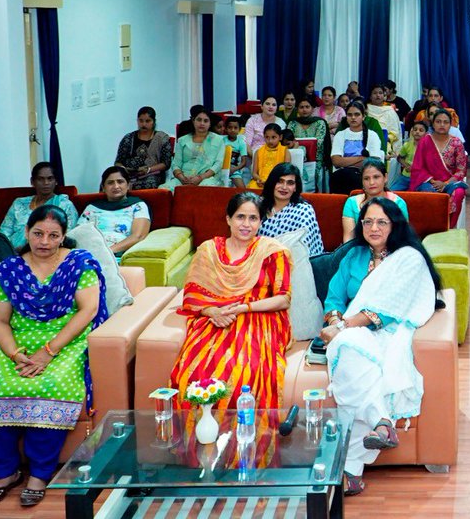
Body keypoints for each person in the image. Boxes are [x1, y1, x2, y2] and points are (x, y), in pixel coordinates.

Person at [0, 205, 107, 508]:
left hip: (67, 341)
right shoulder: (9, 270)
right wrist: (14, 353)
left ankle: (40, 473)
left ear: (63, 238)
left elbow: (88, 310)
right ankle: (5, 472)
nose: (44, 241)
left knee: (52, 385)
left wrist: (49, 352)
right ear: (26, 232)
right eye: (37, 233)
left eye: (53, 235)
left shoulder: (78, 265)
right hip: (19, 344)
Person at [320, 197, 443, 496]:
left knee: (350, 351)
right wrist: (336, 319)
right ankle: (381, 423)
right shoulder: (354, 256)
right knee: (350, 351)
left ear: (394, 225)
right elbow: (335, 297)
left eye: (381, 222)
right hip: (350, 331)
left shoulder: (408, 257)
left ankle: (352, 468)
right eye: (368, 222)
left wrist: (341, 327)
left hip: (388, 331)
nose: (373, 228)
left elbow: (392, 307)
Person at [171, 193, 293, 413]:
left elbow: (283, 298)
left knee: (249, 369)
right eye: (240, 217)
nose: (246, 224)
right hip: (215, 317)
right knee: (196, 369)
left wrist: (243, 307)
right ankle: (201, 437)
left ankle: (245, 440)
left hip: (260, 317)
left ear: (261, 221)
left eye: (253, 218)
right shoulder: (209, 250)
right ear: (228, 219)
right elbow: (192, 294)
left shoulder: (272, 251)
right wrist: (212, 312)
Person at [0, 162, 79, 249]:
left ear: (56, 181)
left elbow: (67, 236)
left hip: (45, 251)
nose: (46, 183)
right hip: (11, 252)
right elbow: (4, 233)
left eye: (50, 179)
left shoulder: (64, 205)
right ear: (32, 181)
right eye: (40, 179)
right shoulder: (19, 203)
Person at [410, 109, 469, 225]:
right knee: (429, 194)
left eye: (445, 122)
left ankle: (449, 227)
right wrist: (432, 181)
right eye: (438, 121)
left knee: (458, 193)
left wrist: (445, 183)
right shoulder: (425, 141)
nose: (442, 125)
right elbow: (418, 167)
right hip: (428, 182)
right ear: (433, 123)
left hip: (451, 182)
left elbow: (461, 170)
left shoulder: (457, 143)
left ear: (450, 124)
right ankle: (431, 228)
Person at [79, 166, 151, 257]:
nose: (116, 186)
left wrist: (107, 252)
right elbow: (78, 234)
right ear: (103, 187)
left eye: (120, 182)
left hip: (118, 255)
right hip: (89, 253)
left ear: (128, 185)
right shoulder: (92, 208)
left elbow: (138, 236)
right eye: (110, 183)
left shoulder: (137, 206)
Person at [256, 163, 324, 257]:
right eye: (280, 181)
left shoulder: (304, 211)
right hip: (259, 260)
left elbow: (304, 247)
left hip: (294, 263)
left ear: (295, 187)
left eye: (290, 183)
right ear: (272, 183)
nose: (284, 187)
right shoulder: (257, 206)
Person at [343, 158, 410, 242]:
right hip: (359, 250)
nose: (371, 182)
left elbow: (403, 238)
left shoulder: (398, 203)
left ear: (385, 178)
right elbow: (348, 240)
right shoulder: (352, 203)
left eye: (376, 177)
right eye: (366, 178)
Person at [330, 101, 385, 195]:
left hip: (364, 174)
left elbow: (374, 162)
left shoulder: (372, 135)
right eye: (349, 115)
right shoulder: (340, 135)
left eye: (357, 114)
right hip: (342, 174)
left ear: (363, 116)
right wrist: (362, 158)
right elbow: (336, 161)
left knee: (354, 177)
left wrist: (345, 161)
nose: (353, 118)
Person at [163, 110, 225, 190]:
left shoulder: (218, 140)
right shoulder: (183, 140)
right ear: (193, 121)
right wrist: (181, 178)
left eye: (205, 121)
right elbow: (176, 164)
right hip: (184, 178)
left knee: (204, 190)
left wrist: (201, 177)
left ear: (210, 124)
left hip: (207, 178)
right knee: (164, 190)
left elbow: (218, 164)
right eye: (199, 120)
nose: (202, 123)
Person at [114, 106, 173, 189]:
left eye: (147, 121)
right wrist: (124, 170)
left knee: (149, 183)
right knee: (109, 182)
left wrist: (148, 169)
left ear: (154, 122)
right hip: (128, 174)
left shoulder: (161, 138)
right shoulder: (128, 138)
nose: (144, 124)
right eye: (141, 121)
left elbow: (166, 163)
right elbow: (118, 162)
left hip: (152, 174)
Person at [288, 98, 331, 192]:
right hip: (297, 159)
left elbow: (319, 142)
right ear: (297, 109)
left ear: (312, 108)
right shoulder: (292, 123)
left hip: (317, 159)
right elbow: (288, 141)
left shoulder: (320, 122)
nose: (304, 109)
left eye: (307, 107)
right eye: (301, 107)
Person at [247, 124, 289, 190]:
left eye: (273, 137)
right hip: (261, 181)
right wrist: (259, 179)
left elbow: (287, 171)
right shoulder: (258, 152)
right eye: (267, 137)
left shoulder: (285, 151)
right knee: (252, 188)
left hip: (278, 181)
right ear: (264, 137)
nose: (270, 141)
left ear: (280, 137)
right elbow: (254, 173)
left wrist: (272, 181)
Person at [366, 83, 402, 156]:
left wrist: (383, 138)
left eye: (380, 93)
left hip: (386, 142)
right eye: (375, 93)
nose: (378, 95)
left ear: (384, 96)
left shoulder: (389, 111)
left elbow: (395, 132)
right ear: (370, 96)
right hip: (367, 141)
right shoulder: (365, 110)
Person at [390, 120, 427, 191]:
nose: (417, 132)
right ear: (412, 131)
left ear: (426, 133)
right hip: (406, 176)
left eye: (421, 130)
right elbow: (399, 158)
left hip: (421, 178)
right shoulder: (407, 145)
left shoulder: (428, 147)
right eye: (415, 129)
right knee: (392, 191)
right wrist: (406, 165)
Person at [222, 115, 250, 188]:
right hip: (221, 168)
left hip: (234, 169)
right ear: (226, 128)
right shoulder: (222, 140)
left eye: (235, 128)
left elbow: (244, 162)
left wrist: (234, 169)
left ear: (239, 129)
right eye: (230, 127)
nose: (233, 130)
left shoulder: (241, 142)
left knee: (242, 188)